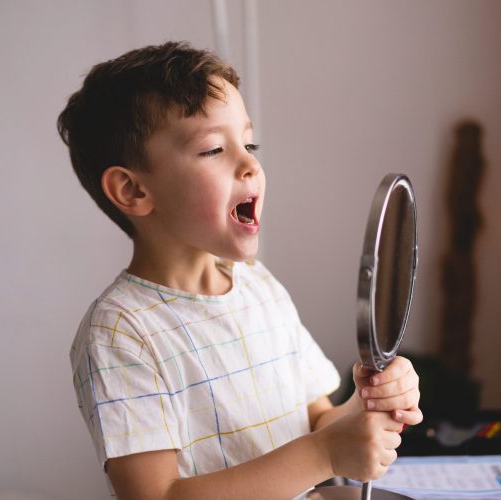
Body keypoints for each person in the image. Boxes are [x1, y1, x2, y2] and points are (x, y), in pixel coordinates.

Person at [58, 41, 422, 499]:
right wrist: (325, 454)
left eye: (249, 143)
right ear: (132, 190)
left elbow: (317, 421)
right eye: (213, 149)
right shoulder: (120, 331)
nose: (250, 164)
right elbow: (158, 497)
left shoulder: (259, 287)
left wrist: (368, 411)